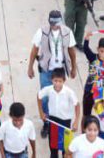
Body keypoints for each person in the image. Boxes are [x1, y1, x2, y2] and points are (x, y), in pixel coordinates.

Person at [27, 10, 78, 138]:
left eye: (57, 23)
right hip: (46, 69)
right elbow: (34, 50)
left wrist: (73, 67)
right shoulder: (42, 31)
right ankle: (46, 122)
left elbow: (71, 50)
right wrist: (30, 67)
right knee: (44, 97)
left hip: (60, 69)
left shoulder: (67, 32)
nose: (55, 25)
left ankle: (56, 120)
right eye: (53, 23)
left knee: (58, 96)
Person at [36, 68, 80, 158]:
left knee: (66, 150)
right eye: (55, 81)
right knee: (53, 148)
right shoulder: (48, 89)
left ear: (64, 80)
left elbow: (77, 104)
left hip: (65, 122)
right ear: (52, 80)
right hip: (53, 121)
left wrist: (76, 121)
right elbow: (39, 96)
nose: (57, 83)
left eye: (60, 81)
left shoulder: (69, 92)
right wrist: (41, 112)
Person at [80, 36, 104, 116]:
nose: (103, 54)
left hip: (101, 93)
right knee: (86, 114)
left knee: (102, 115)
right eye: (101, 51)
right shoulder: (93, 57)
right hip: (89, 91)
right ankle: (84, 128)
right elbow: (86, 50)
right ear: (97, 49)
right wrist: (86, 39)